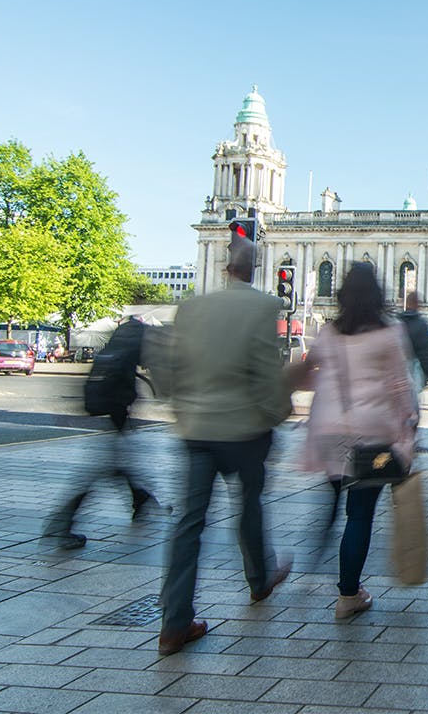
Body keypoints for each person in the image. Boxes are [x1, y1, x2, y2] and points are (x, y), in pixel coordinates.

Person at [157, 237, 293, 656]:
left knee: (188, 525)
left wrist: (180, 409)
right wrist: (277, 414)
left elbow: (167, 367)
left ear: (224, 266)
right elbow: (268, 372)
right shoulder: (263, 307)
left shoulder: (192, 308)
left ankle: (174, 623)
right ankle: (258, 580)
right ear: (255, 268)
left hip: (196, 429)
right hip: (245, 429)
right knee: (249, 505)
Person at [289, 262, 419, 620]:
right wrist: (408, 429)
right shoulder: (389, 333)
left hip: (328, 432)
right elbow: (400, 388)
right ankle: (348, 594)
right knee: (359, 515)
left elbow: (306, 372)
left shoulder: (329, 332)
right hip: (371, 435)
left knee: (331, 502)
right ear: (378, 294)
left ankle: (313, 559)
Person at [44, 316, 162, 549]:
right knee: (101, 469)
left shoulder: (120, 338)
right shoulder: (138, 336)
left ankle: (139, 497)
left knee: (113, 463)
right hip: (118, 406)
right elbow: (149, 363)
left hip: (109, 404)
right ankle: (62, 524)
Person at [399, 291, 428, 392]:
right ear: (417, 304)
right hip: (414, 375)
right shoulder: (421, 324)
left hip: (397, 375)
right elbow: (426, 353)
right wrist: (426, 376)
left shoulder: (397, 321)